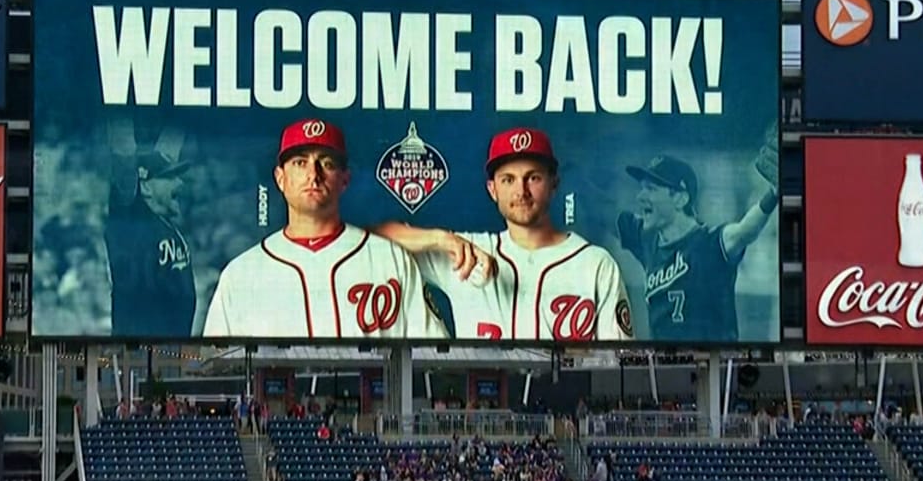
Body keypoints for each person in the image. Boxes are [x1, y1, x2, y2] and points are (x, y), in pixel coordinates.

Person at [377, 128, 632, 342]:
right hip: (483, 399)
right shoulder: (467, 253)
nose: (521, 191)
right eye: (508, 180)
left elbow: (619, 364)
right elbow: (372, 239)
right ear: (492, 189)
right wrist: (444, 239)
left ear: (554, 184)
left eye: (533, 178)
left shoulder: (595, 264)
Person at [199, 119, 444, 339]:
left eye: (326, 164)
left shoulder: (389, 259)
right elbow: (218, 369)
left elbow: (432, 358)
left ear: (345, 179)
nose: (313, 175)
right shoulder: (241, 274)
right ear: (280, 178)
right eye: (300, 163)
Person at [616, 124, 778, 342]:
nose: (640, 196)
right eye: (642, 188)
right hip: (663, 368)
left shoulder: (708, 244)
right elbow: (607, 218)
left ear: (680, 198)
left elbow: (744, 231)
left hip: (716, 366)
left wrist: (773, 194)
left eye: (651, 189)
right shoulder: (646, 240)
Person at [104, 137, 196, 339]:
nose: (180, 182)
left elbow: (174, 136)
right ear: (145, 187)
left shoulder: (166, 225)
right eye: (170, 177)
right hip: (138, 350)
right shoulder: (131, 220)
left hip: (175, 348)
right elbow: (123, 156)